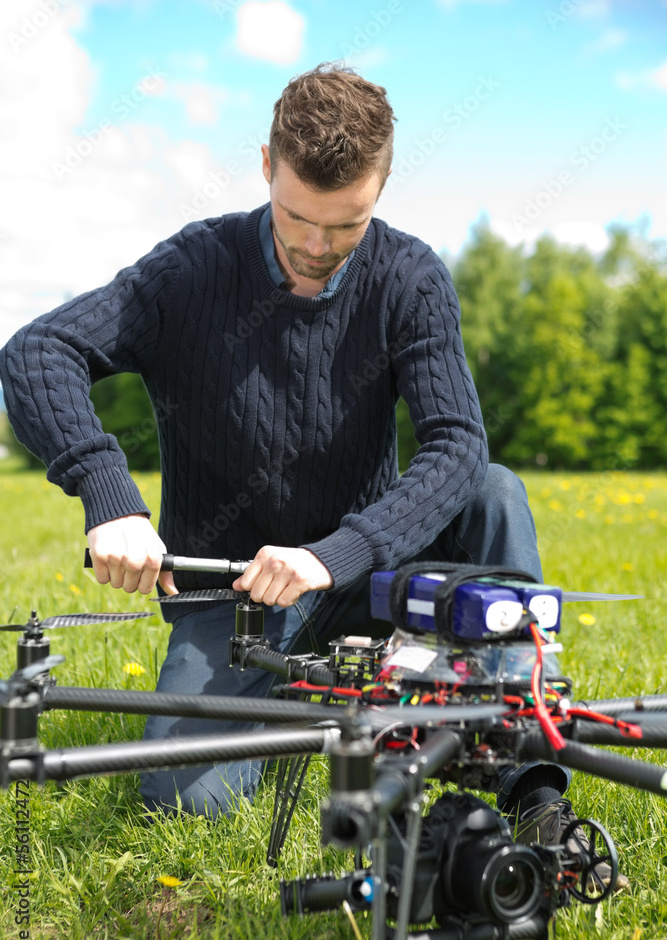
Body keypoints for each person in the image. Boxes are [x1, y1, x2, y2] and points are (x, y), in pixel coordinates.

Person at [0, 63, 624, 888]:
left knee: (493, 489)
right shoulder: (192, 267)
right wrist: (106, 494)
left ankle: (531, 784)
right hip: (236, 600)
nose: (317, 247)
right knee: (188, 806)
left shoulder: (409, 277)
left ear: (382, 187)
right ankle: (321, 709)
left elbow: (455, 445)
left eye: (347, 225)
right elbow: (38, 352)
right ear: (265, 165)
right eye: (298, 217)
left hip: (368, 576)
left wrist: (335, 553)